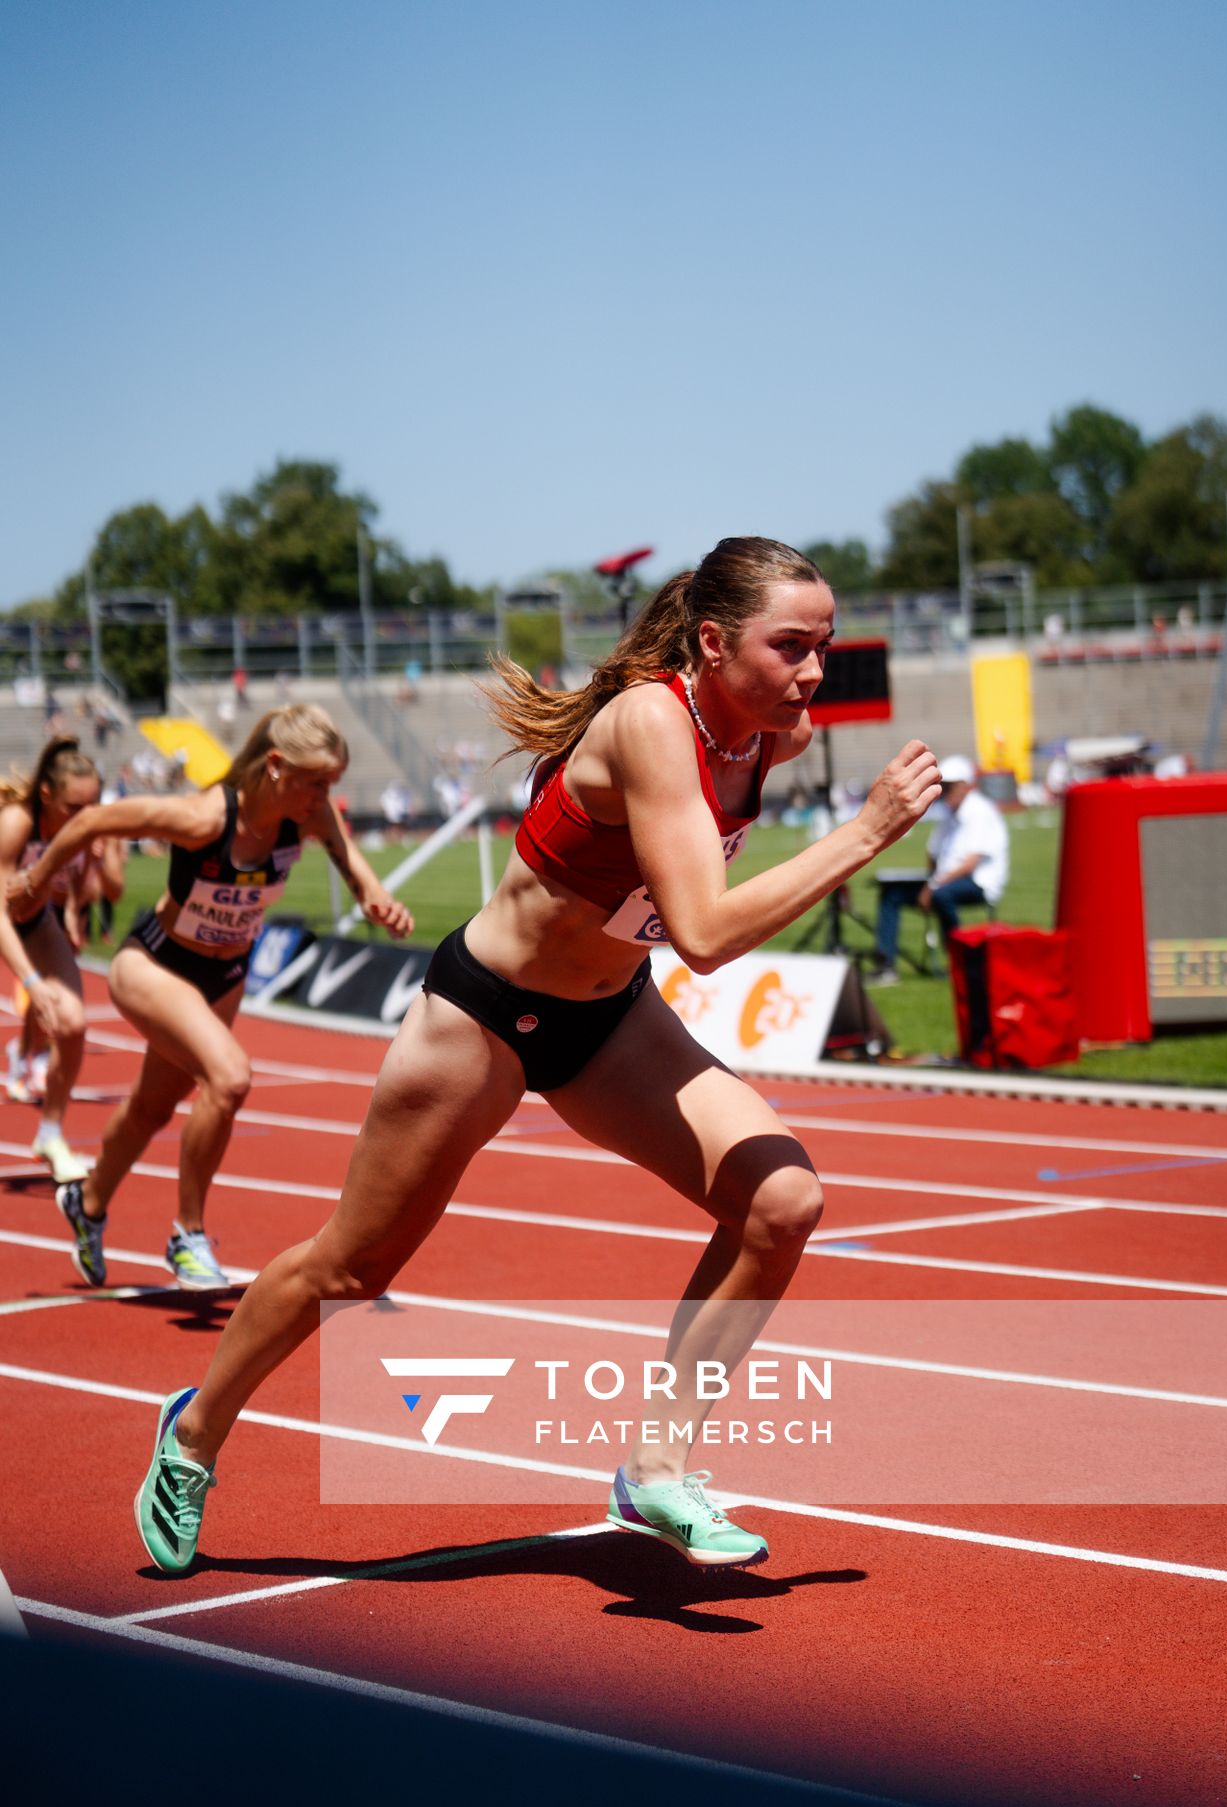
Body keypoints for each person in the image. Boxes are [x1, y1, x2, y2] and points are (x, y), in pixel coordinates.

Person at [124, 537, 940, 1577]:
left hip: (607, 1021)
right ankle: (193, 1430)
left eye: (821, 647)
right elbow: (700, 929)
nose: (811, 671)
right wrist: (865, 832)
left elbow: (662, 923)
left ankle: (654, 1465)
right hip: (484, 1016)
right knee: (352, 1263)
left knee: (780, 1203)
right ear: (709, 641)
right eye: (789, 647)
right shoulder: (651, 721)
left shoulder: (769, 737)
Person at [6, 704, 413, 1292]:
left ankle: (88, 1202)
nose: (327, 796)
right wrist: (36, 880)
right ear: (276, 766)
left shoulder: (311, 815)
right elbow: (94, 823)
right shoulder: (202, 817)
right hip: (153, 964)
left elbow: (360, 875)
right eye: (317, 781)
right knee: (229, 1078)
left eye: (333, 783)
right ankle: (187, 1235)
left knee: (151, 1107)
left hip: (224, 979)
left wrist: (379, 902)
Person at [0, 739, 123, 1180]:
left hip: (36, 923)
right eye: (75, 806)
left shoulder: (81, 828)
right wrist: (32, 984)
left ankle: (50, 1133)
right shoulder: (17, 823)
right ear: (48, 796)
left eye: (93, 805)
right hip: (5, 922)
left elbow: (89, 887)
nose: (86, 817)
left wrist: (72, 908)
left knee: (72, 1025)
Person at [872, 753, 1008, 983]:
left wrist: (932, 886)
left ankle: (960, 961)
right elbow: (933, 851)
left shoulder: (980, 811)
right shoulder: (949, 812)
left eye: (949, 786)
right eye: (942, 785)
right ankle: (886, 964)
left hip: (978, 882)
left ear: (965, 786)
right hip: (946, 880)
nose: (944, 791)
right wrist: (930, 880)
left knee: (943, 896)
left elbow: (970, 864)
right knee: (891, 894)